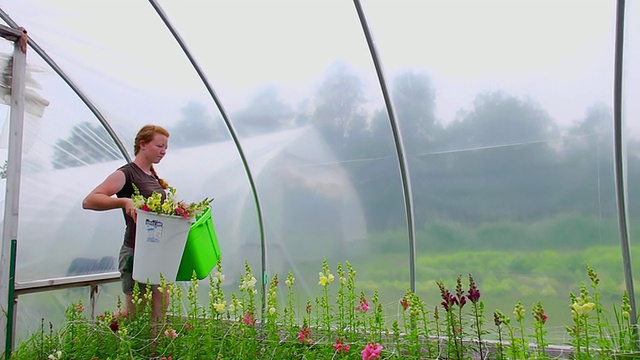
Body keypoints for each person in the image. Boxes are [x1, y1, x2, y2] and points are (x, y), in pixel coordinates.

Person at [82, 124, 171, 325]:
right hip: (135, 251)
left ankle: (155, 353)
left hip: (156, 251)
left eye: (166, 147)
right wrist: (123, 201)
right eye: (159, 146)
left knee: (161, 307)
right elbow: (90, 200)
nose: (164, 151)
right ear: (143, 144)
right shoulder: (127, 174)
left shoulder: (152, 177)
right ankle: (99, 335)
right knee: (134, 311)